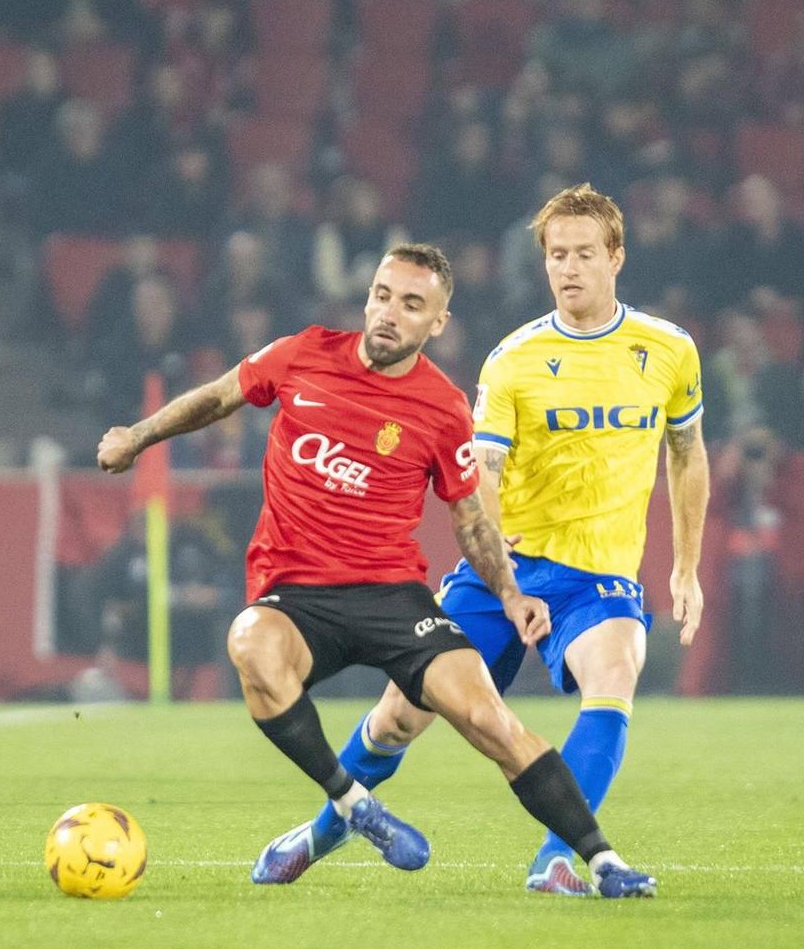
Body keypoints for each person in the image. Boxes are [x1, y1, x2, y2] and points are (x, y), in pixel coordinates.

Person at [95, 243, 657, 898]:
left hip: (392, 596)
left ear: (437, 323)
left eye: (412, 304)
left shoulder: (443, 408)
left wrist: (509, 591)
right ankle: (352, 802)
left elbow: (471, 519)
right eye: (383, 296)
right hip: (297, 596)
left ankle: (602, 860)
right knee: (250, 645)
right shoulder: (303, 353)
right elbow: (220, 397)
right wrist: (136, 436)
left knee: (487, 719)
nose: (391, 313)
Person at [253, 184, 709, 896]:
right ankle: (322, 828)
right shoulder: (514, 359)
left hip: (598, 573)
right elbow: (482, 478)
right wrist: (509, 584)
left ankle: (559, 856)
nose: (569, 268)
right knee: (400, 716)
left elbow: (688, 452)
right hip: (510, 564)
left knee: (615, 671)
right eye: (557, 255)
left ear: (616, 256)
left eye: (584, 254)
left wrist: (686, 566)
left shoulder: (670, 351)